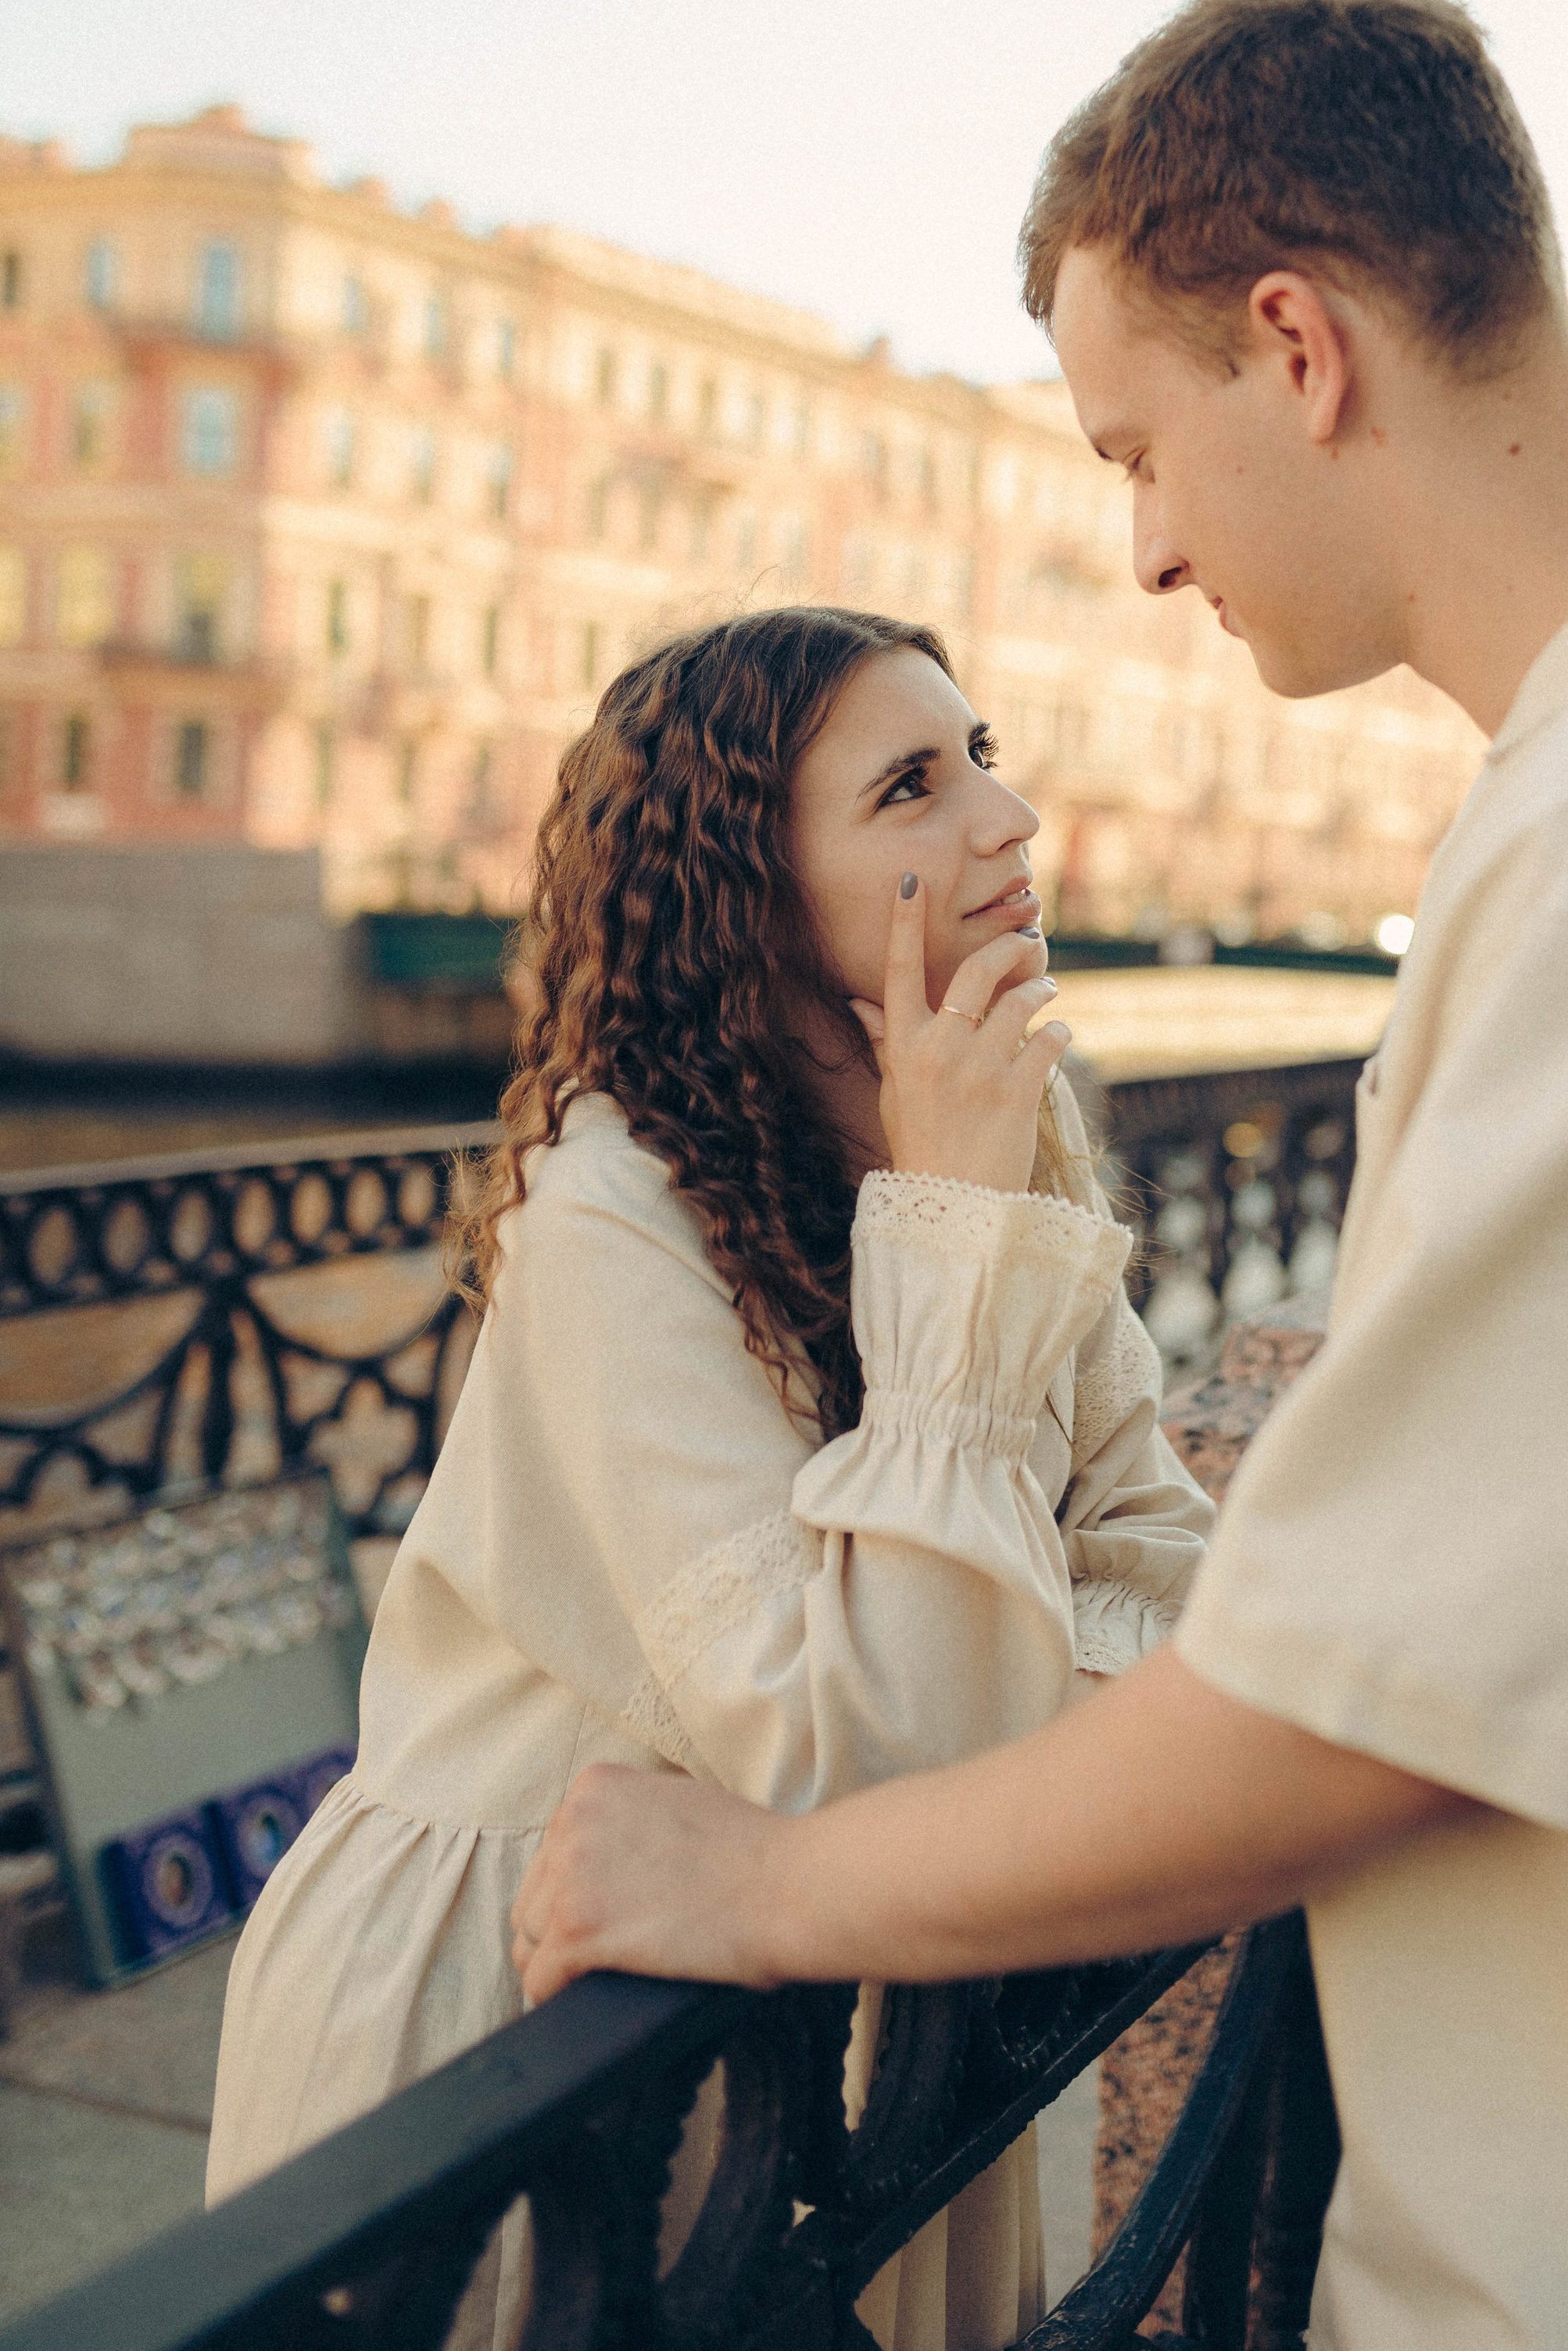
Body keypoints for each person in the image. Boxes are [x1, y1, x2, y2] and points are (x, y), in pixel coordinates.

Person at [511, 0, 1568, 2350]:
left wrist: (775, 1885)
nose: (1147, 555)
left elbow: (1359, 1704)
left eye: (1135, 449)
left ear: (1296, 350)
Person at [206, 604, 1213, 2351]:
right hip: (530, 2019)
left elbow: (1160, 1577)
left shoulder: (1011, 1134)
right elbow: (853, 1755)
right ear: (749, 887)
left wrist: (988, 1690)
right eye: (910, 785)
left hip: (842, 2009)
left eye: (981, 756)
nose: (1005, 821)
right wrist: (956, 1230)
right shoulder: (611, 1210)